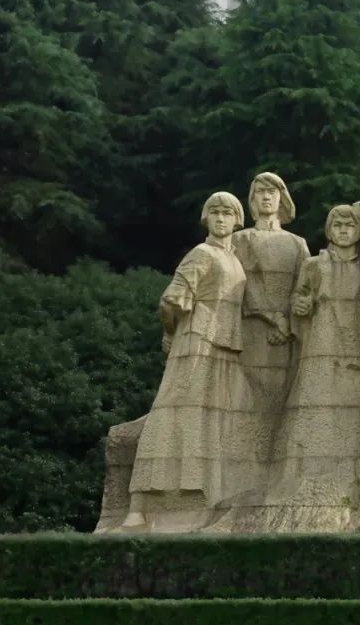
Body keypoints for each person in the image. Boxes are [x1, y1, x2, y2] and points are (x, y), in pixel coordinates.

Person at [124, 192, 256, 531]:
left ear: (237, 219)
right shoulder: (202, 252)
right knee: (173, 411)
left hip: (226, 346)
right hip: (197, 338)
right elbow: (172, 299)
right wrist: (173, 332)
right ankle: (140, 504)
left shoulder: (234, 259)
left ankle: (206, 496)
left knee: (217, 419)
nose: (221, 218)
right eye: (215, 212)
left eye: (228, 212)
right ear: (206, 218)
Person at [267, 205, 360, 508]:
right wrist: (300, 306)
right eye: (337, 225)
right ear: (329, 230)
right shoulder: (314, 264)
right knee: (311, 405)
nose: (342, 230)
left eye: (349, 225)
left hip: (355, 344)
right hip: (320, 343)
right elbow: (299, 298)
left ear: (358, 230)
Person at [233, 173, 310, 469]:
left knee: (283, 397)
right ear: (252, 201)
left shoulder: (297, 243)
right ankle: (249, 464)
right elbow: (239, 284)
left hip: (287, 336)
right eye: (260, 192)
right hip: (252, 329)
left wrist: (288, 321)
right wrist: (273, 318)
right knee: (250, 397)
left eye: (272, 192)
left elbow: (304, 287)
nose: (266, 197)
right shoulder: (240, 239)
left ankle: (275, 463)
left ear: (282, 199)